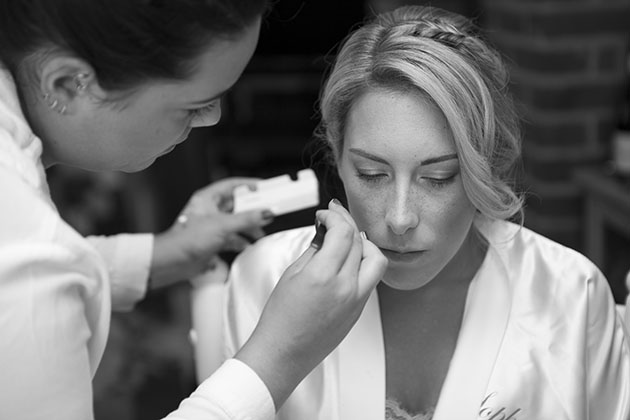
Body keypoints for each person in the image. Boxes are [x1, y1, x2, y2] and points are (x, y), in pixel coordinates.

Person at [222, 5, 630, 420]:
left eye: (438, 177)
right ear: (338, 158)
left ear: (483, 165)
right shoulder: (265, 279)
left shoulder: (568, 296)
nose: (399, 219)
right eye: (372, 174)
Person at [0, 1, 388, 419]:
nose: (213, 118)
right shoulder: (32, 264)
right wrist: (278, 355)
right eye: (192, 106)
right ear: (66, 85)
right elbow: (29, 277)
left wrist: (166, 253)